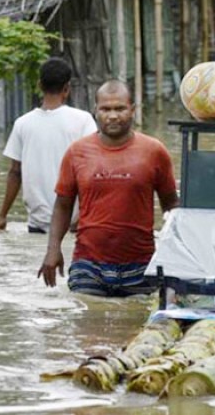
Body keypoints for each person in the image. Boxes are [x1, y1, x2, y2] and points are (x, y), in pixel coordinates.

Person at [38, 80, 180, 297]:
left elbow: (171, 205)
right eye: (105, 109)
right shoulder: (77, 152)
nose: (113, 116)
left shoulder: (154, 151)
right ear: (95, 110)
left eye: (120, 109)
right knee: (87, 315)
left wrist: (177, 254)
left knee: (137, 318)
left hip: (141, 265)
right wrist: (53, 249)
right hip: (88, 264)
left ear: (133, 110)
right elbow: (63, 206)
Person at [0, 58, 97, 234]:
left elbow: (15, 173)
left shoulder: (22, 124)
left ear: (39, 85)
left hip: (37, 224)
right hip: (74, 224)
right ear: (67, 88)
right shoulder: (83, 120)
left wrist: (3, 215)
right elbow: (93, 170)